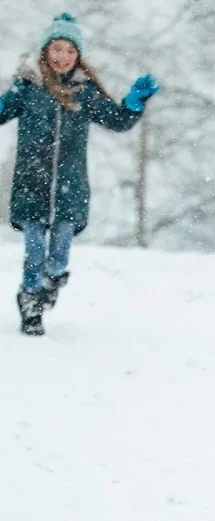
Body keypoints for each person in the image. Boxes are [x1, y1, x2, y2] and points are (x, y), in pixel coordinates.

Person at [0, 13, 160, 335]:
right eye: (56, 49)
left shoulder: (84, 94)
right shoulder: (27, 89)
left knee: (58, 257)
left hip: (69, 189)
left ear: (78, 56)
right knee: (34, 252)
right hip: (31, 186)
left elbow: (117, 120)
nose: (62, 56)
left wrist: (133, 103)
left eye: (69, 51)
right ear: (45, 51)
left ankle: (49, 285)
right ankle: (31, 303)